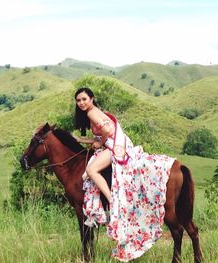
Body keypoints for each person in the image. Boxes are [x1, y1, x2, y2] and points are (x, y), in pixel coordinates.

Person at [72, 86, 175, 262]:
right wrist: (82, 140)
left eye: (84, 99)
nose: (81, 103)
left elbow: (104, 132)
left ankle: (111, 199)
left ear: (92, 98)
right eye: (79, 100)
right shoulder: (96, 111)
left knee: (90, 170)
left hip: (114, 146)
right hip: (117, 142)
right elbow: (101, 134)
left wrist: (101, 143)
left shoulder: (91, 113)